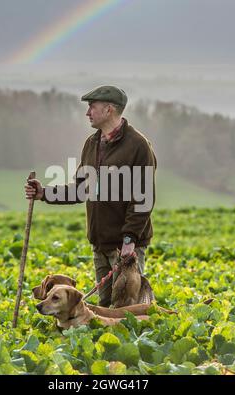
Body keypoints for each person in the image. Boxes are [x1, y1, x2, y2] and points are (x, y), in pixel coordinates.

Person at [25, 85, 157, 307]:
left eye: (92, 107)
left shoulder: (138, 145)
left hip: (125, 246)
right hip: (100, 243)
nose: (87, 113)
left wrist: (129, 239)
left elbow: (143, 198)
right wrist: (44, 193)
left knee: (127, 310)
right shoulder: (92, 143)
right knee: (103, 307)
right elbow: (80, 188)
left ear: (109, 110)